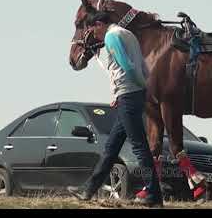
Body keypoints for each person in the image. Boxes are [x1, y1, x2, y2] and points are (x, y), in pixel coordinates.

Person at [68, 11, 163, 207]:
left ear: (100, 24)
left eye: (93, 29)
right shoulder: (128, 34)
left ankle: (154, 194)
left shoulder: (112, 36)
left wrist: (136, 88)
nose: (94, 35)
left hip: (129, 94)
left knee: (139, 146)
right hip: (129, 95)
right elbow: (143, 67)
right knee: (111, 147)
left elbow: (127, 67)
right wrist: (134, 89)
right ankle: (89, 190)